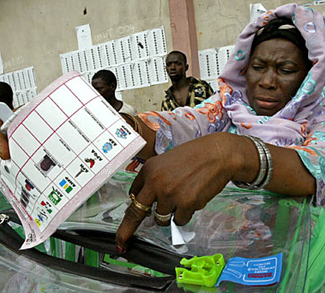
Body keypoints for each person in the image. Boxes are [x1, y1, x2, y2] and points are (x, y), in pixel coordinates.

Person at [115, 3, 325, 253]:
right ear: (244, 69)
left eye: (286, 70)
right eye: (258, 68)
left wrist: (234, 153)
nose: (268, 82)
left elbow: (316, 167)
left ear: (310, 77)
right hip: (222, 255)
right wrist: (125, 127)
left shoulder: (317, 116)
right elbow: (185, 122)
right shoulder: (229, 105)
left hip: (294, 263)